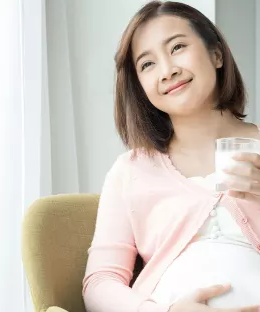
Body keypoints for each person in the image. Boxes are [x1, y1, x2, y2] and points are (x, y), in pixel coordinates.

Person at [82, 1, 260, 312]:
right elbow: (101, 280)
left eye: (177, 47)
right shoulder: (130, 171)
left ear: (216, 54)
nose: (168, 71)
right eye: (147, 64)